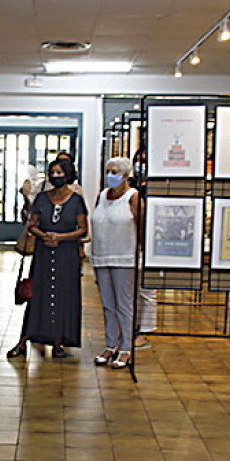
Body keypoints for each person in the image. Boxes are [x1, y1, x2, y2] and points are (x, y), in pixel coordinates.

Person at [7, 157, 88, 359]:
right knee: (38, 295)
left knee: (63, 296)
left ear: (68, 175)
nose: (55, 176)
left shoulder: (76, 201)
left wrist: (60, 237)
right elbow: (32, 224)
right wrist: (45, 236)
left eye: (60, 172)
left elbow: (83, 229)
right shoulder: (42, 198)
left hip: (67, 254)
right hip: (43, 253)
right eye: (52, 173)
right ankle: (24, 340)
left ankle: (59, 342)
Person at [90, 157, 138, 368]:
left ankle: (126, 347)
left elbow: (142, 226)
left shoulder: (132, 197)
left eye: (115, 172)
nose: (110, 175)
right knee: (107, 304)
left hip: (124, 258)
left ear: (126, 175)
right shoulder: (102, 196)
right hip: (102, 256)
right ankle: (111, 345)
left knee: (123, 305)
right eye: (108, 171)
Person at [129, 144, 156, 347]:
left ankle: (144, 330)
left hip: (150, 242)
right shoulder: (130, 187)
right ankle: (133, 326)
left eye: (145, 161)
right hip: (130, 242)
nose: (141, 165)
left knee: (147, 289)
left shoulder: (156, 187)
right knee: (131, 290)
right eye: (138, 161)